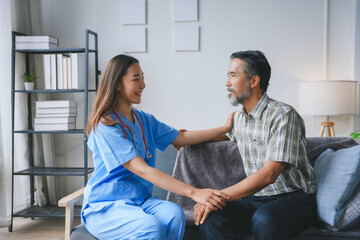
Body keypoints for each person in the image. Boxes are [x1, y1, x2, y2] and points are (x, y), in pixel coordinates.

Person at [81, 54, 234, 240]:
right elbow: (143, 171)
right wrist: (195, 192)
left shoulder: (144, 119)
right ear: (117, 84)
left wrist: (225, 129)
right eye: (136, 79)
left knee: (174, 215)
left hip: (140, 201)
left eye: (143, 78)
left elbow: (182, 137)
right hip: (106, 206)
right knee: (151, 228)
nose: (143, 85)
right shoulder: (105, 126)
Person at [194, 50, 317, 240]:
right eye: (228, 75)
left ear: (253, 81)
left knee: (264, 218)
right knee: (210, 216)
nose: (227, 82)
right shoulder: (242, 117)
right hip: (256, 198)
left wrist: (216, 196)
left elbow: (269, 174)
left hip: (293, 198)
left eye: (233, 75)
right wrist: (190, 140)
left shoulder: (283, 115)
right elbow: (224, 136)